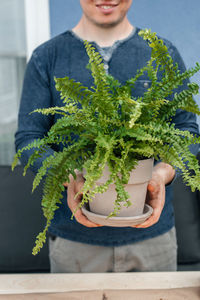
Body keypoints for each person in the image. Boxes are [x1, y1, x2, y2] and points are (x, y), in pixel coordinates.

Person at [15, 0, 199, 273]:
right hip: (73, 240)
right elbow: (29, 138)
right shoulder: (48, 56)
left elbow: (188, 133)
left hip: (152, 237)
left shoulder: (162, 53)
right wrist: (68, 174)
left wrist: (162, 173)